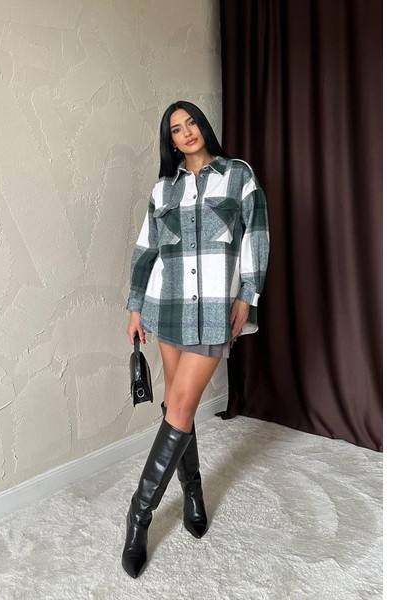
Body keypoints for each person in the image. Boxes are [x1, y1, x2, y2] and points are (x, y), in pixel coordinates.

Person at [122, 100, 269, 578]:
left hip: (212, 308)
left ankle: (138, 518)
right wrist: (135, 306)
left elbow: (256, 235)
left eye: (191, 123)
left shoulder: (237, 175)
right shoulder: (163, 188)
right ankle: (193, 492)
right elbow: (146, 249)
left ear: (203, 127)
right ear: (169, 140)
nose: (186, 133)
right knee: (176, 408)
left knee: (182, 406)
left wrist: (247, 294)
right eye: (175, 129)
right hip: (165, 305)